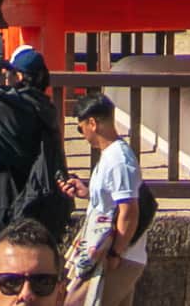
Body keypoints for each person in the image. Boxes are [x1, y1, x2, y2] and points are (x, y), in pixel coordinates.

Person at [63, 103, 144, 306]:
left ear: (92, 123)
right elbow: (115, 202)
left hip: (116, 256)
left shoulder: (119, 160)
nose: (82, 135)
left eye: (80, 128)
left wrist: (115, 253)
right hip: (112, 254)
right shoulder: (111, 155)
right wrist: (88, 193)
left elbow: (129, 211)